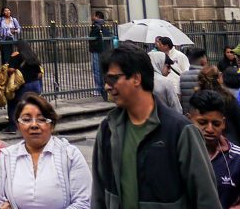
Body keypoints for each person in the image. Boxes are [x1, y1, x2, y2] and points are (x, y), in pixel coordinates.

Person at [89, 45, 221, 209]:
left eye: (112, 79)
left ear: (136, 78)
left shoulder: (180, 130)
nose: (107, 86)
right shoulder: (108, 129)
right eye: (106, 80)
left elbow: (205, 198)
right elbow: (99, 195)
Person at [0, 93, 90, 209]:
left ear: (51, 125)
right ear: (18, 125)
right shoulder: (6, 157)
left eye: (41, 120)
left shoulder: (70, 155)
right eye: (26, 120)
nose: (34, 125)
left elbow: (83, 202)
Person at [187, 90, 240, 209]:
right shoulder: (177, 155)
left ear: (224, 123)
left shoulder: (239, 158)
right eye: (202, 122)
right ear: (188, 119)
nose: (210, 129)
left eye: (216, 123)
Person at [195, 64, 240, 148]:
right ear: (220, 78)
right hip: (229, 144)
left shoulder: (196, 99)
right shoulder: (228, 98)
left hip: (202, 144)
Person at [6, 41, 44, 130]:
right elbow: (39, 74)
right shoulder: (33, 56)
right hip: (35, 85)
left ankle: (12, 127)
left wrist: (12, 59)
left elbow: (11, 70)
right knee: (31, 103)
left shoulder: (17, 55)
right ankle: (33, 123)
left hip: (24, 85)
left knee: (12, 103)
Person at [90, 11, 112, 100]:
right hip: (104, 50)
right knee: (102, 69)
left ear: (97, 16)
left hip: (97, 50)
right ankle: (101, 88)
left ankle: (99, 88)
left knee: (97, 69)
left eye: (94, 15)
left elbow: (93, 38)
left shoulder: (96, 26)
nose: (92, 17)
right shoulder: (105, 25)